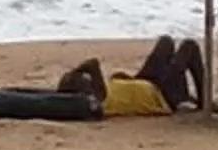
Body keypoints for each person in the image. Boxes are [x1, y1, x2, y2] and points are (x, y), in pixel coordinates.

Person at [56, 36, 207, 118]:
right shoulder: (97, 97)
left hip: (144, 82)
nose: (86, 78)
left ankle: (188, 96)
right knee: (189, 46)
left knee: (166, 42)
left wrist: (123, 80)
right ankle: (204, 101)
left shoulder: (100, 91)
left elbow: (121, 90)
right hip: (160, 96)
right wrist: (74, 72)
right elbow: (93, 64)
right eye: (82, 79)